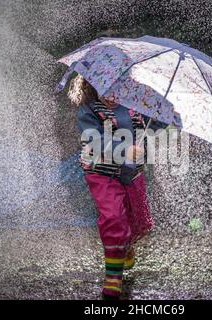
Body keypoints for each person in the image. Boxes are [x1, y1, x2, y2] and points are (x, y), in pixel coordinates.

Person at [66, 74, 167, 299]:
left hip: (131, 173)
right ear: (92, 85)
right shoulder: (89, 109)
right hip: (101, 172)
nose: (111, 93)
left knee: (137, 221)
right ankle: (113, 278)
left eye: (117, 87)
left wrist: (166, 115)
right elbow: (93, 139)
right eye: (104, 87)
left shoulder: (134, 105)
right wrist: (124, 149)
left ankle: (125, 243)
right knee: (113, 217)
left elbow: (149, 128)